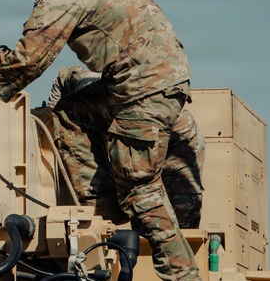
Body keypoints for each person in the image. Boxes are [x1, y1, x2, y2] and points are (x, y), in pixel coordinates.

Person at [0, 0, 215, 281]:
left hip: (142, 90)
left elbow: (30, 59)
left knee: (140, 187)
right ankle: (102, 215)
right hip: (149, 82)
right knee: (71, 113)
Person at [41, 66, 205, 230]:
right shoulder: (83, 84)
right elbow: (64, 78)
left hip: (177, 139)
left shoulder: (143, 117)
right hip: (150, 126)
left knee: (173, 215)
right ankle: (107, 223)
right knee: (126, 211)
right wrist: (49, 116)